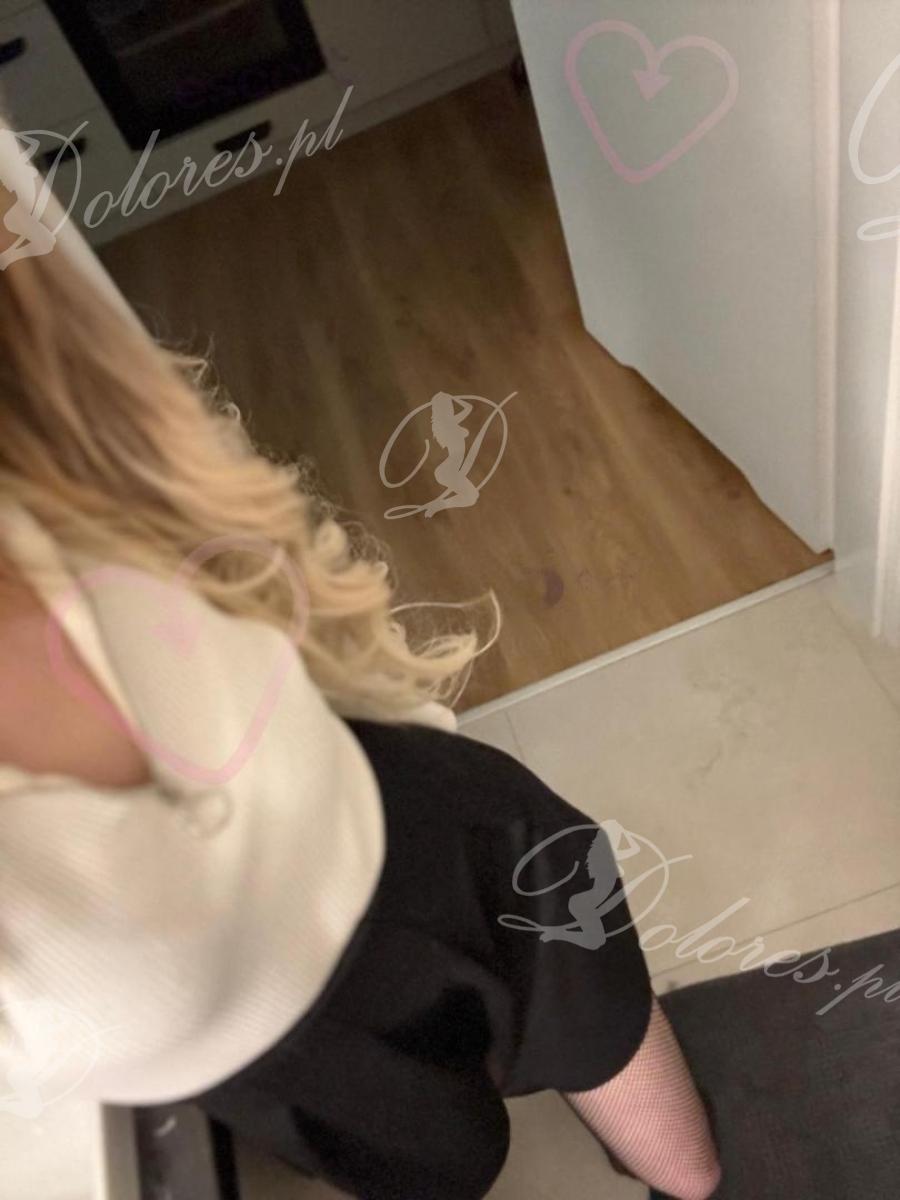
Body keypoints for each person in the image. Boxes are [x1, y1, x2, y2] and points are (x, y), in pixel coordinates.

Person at [0, 189, 721, 1200]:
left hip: (423, 823)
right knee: (448, 1152)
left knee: (663, 1127)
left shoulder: (61, 436)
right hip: (287, 1036)